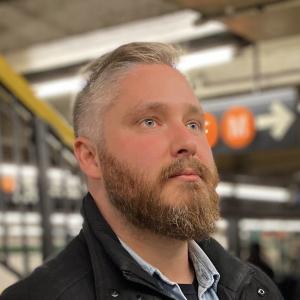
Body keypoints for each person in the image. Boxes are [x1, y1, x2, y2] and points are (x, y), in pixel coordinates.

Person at [0, 42, 283, 300]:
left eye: (194, 124)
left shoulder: (256, 288)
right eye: (150, 121)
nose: (188, 142)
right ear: (90, 157)